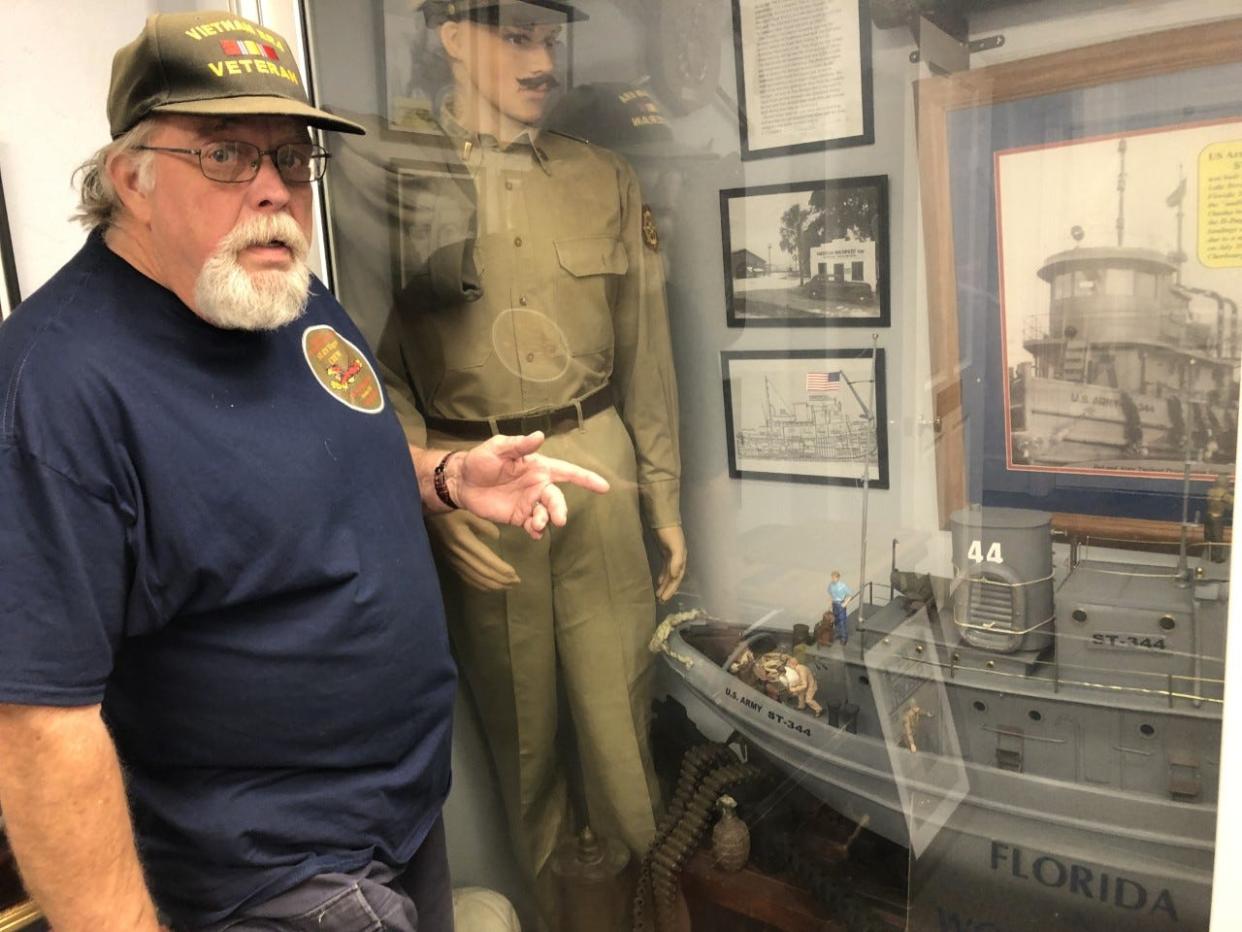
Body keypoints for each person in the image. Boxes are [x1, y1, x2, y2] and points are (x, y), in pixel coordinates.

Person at [0, 11, 610, 932]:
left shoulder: (277, 291)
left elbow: (308, 474)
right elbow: (37, 728)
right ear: (131, 177)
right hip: (268, 875)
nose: (274, 191)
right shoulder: (57, 388)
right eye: (226, 156)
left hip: (398, 818)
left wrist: (444, 478)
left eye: (292, 159)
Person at [372, 0, 687, 918]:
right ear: (451, 37)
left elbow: (647, 354)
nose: (542, 60)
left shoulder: (604, 177)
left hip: (597, 467)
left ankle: (648, 915)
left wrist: (662, 502)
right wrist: (432, 493)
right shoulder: (396, 179)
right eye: (516, 36)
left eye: (549, 37)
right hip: (477, 483)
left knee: (622, 729)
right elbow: (364, 366)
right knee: (524, 749)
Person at [828, 570, 852, 645]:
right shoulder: (831, 585)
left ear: (838, 578)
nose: (833, 579)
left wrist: (845, 603)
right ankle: (839, 634)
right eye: (832, 577)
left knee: (842, 621)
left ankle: (844, 637)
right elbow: (831, 594)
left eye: (834, 577)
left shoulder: (843, 585)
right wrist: (830, 604)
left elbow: (850, 594)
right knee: (836, 621)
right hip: (834, 604)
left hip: (841, 604)